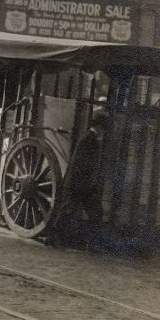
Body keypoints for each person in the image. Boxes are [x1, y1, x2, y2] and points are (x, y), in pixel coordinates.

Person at [49, 101, 107, 248]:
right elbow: (79, 164)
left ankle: (91, 243)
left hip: (83, 185)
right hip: (78, 184)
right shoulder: (89, 139)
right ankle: (52, 239)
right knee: (68, 212)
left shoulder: (90, 138)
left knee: (93, 213)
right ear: (99, 127)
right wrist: (84, 185)